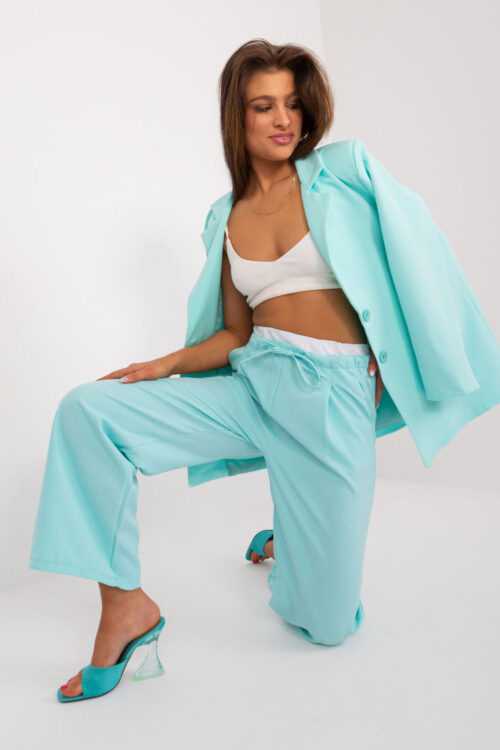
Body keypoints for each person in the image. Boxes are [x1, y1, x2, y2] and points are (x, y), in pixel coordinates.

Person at [28, 39, 500, 702]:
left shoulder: (345, 174)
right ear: (238, 117)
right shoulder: (226, 217)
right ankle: (124, 608)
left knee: (328, 627)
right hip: (254, 387)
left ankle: (295, 533)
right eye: (263, 105)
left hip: (334, 400)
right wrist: (164, 364)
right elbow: (235, 333)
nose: (283, 118)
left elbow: (417, 253)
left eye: (292, 104)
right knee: (88, 412)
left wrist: (397, 349)